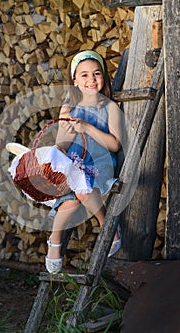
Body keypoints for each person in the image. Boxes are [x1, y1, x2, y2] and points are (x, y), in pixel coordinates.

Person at [45, 50, 122, 274]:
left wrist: (87, 127)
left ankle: (107, 224)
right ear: (75, 81)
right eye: (85, 75)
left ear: (104, 78)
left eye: (96, 74)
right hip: (76, 161)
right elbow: (62, 144)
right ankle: (55, 239)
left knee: (82, 188)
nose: (91, 80)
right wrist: (65, 134)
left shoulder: (110, 108)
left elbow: (115, 145)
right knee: (69, 200)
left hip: (100, 162)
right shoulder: (69, 109)